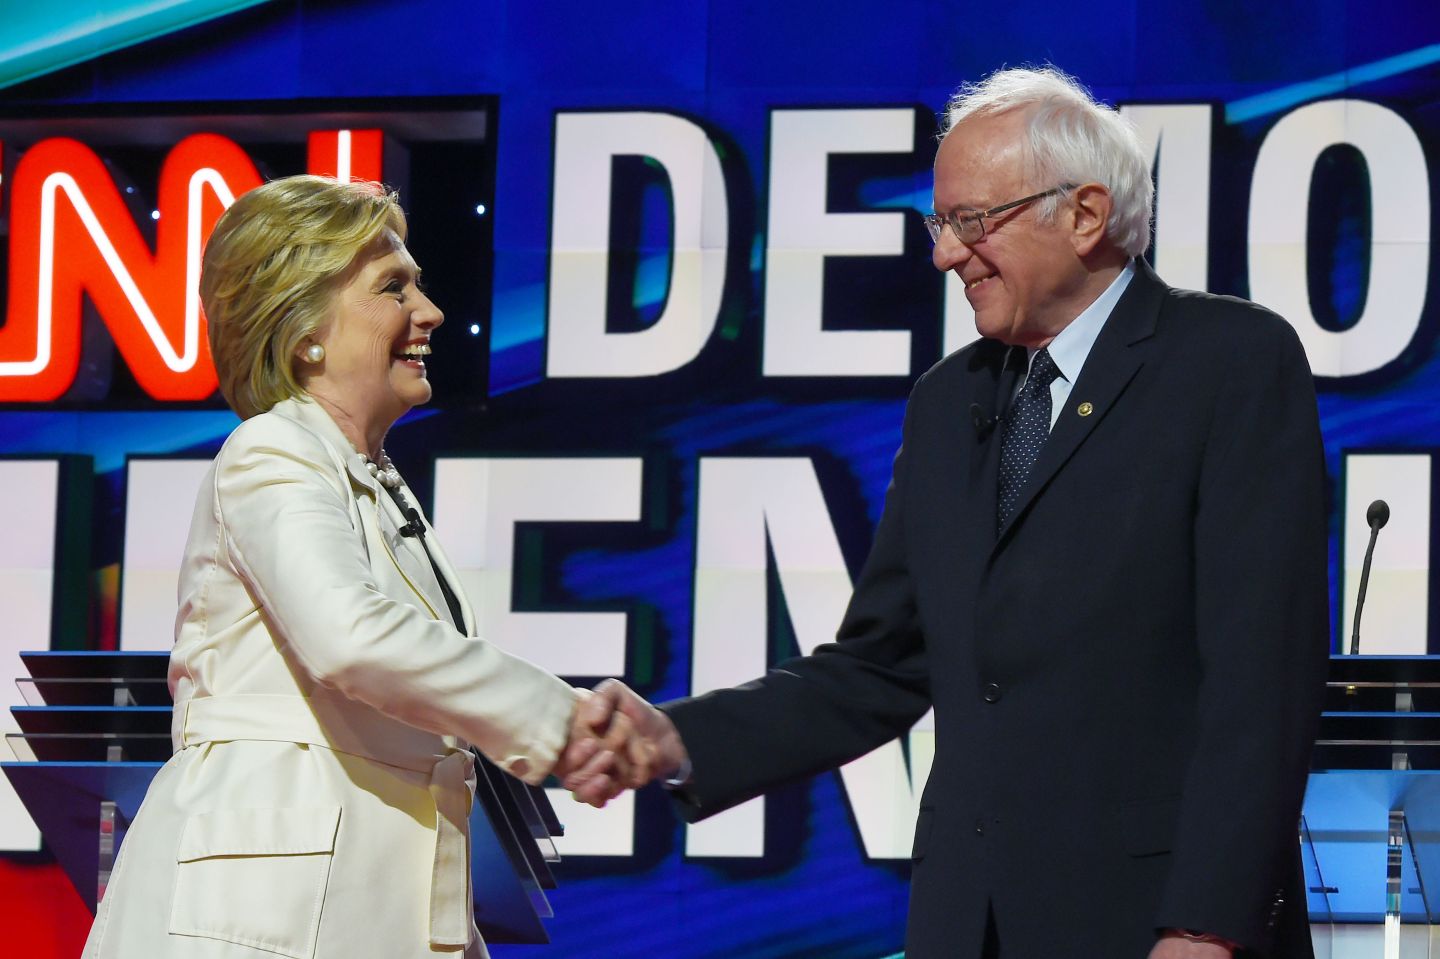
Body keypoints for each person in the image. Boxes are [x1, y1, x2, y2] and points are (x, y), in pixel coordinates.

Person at [567, 67, 1330, 959]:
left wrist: (1207, 925)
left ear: (1085, 214)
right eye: (940, 223)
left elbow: (1261, 681)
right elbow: (878, 666)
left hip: (1150, 922)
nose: (944, 254)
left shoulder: (1228, 363)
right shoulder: (947, 402)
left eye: (972, 222)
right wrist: (676, 737)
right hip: (968, 927)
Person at [83, 175, 643, 959]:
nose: (431, 312)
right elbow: (349, 636)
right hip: (260, 919)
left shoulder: (370, 482)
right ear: (305, 329)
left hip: (376, 910)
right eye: (394, 287)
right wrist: (556, 720)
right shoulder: (271, 451)